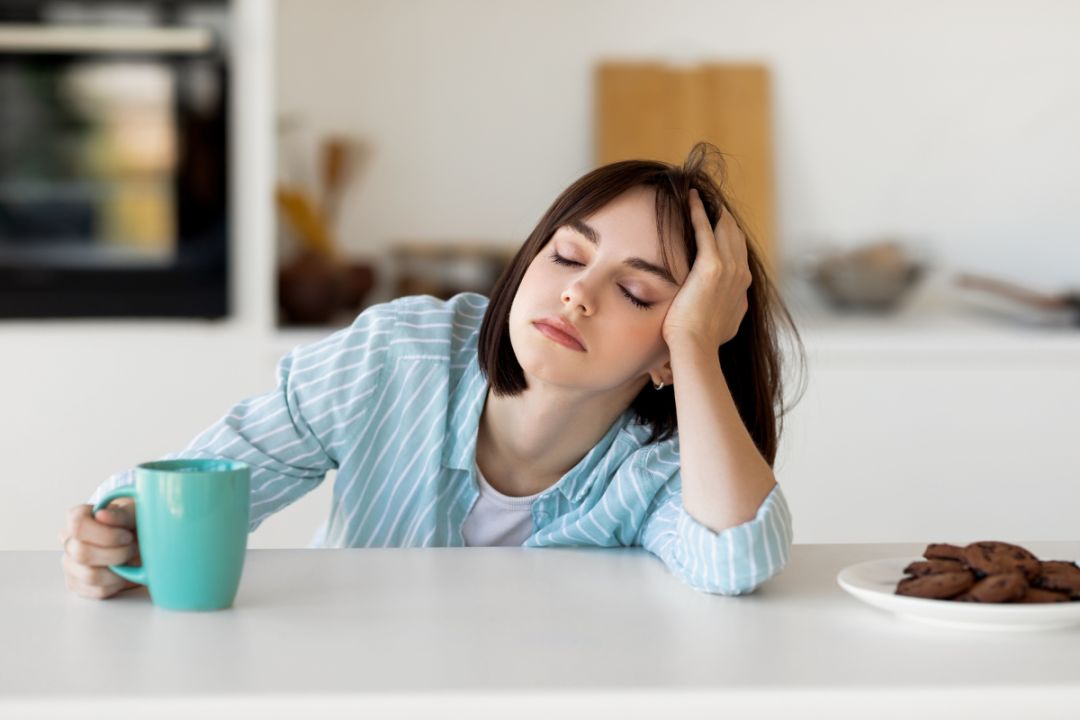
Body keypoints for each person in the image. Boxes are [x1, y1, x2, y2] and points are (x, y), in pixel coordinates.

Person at [60, 142, 803, 600]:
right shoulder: (399, 354)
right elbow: (195, 488)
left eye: (638, 291)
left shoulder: (660, 466)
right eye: (567, 256)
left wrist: (699, 350)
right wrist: (120, 534)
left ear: (673, 344)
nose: (578, 293)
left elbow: (736, 556)